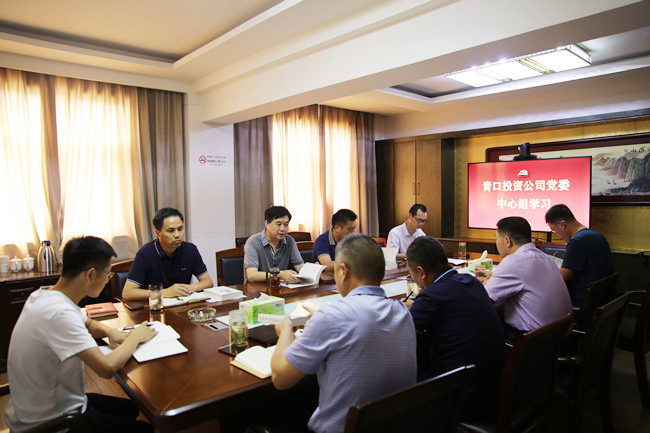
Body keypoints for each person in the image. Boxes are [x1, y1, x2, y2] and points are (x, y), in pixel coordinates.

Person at [5, 236, 157, 432]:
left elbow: (88, 323)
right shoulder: (59, 314)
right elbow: (106, 368)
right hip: (53, 422)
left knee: (131, 408)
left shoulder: (45, 295)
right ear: (91, 274)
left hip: (47, 402)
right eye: (108, 274)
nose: (108, 279)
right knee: (145, 429)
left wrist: (110, 332)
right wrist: (135, 337)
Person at [271, 234, 416, 433]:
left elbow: (280, 378)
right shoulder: (402, 312)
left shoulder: (331, 317)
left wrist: (285, 330)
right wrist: (321, 321)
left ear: (343, 271)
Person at [407, 236, 505, 421]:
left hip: (465, 397)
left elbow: (402, 333)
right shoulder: (471, 281)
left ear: (420, 271)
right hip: (496, 384)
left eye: (412, 275)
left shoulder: (431, 297)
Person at [476, 217, 572, 338]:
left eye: (496, 238)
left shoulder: (513, 261)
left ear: (507, 240)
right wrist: (494, 279)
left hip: (533, 340)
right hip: (561, 335)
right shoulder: (546, 258)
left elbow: (485, 300)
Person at [122, 207, 213, 302]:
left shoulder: (190, 250)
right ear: (158, 233)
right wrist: (164, 292)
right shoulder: (145, 254)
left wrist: (190, 288)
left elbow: (208, 282)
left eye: (180, 229)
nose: (177, 235)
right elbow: (127, 293)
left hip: (182, 305)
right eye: (171, 230)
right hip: (156, 306)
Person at [545, 204, 612, 307]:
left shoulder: (577, 241)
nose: (555, 233)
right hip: (603, 296)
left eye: (553, 229)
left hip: (584, 301)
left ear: (562, 225)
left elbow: (564, 275)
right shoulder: (597, 235)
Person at [244, 206, 304, 283]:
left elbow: (300, 267)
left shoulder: (289, 241)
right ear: (267, 223)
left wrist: (314, 271)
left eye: (286, 224)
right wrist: (278, 275)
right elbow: (251, 276)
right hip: (258, 288)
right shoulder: (253, 242)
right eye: (278, 224)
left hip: (280, 287)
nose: (282, 229)